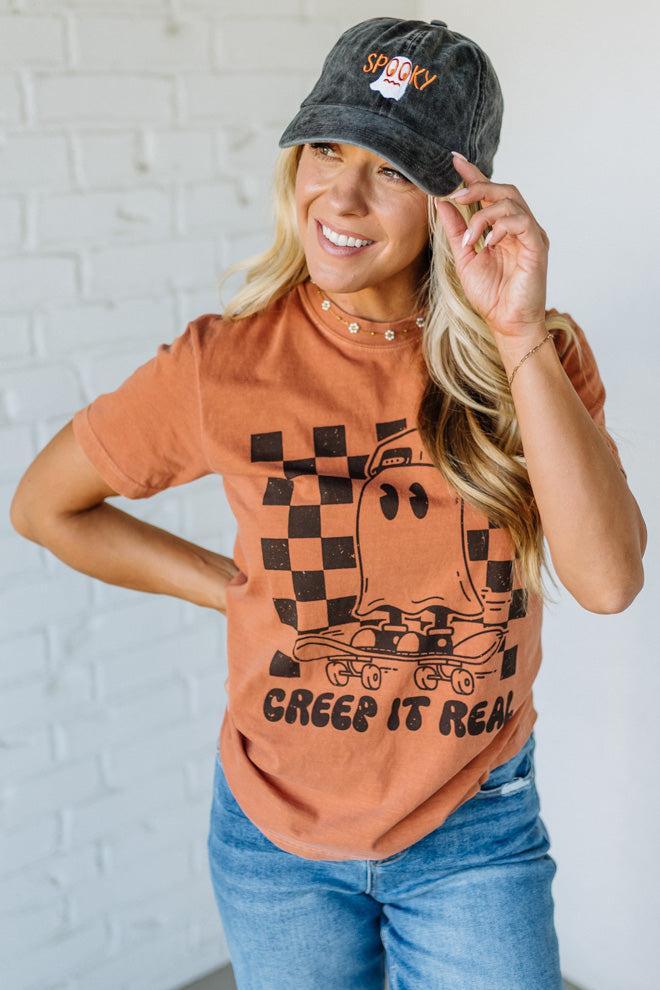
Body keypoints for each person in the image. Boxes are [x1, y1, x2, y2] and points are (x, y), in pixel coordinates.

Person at [10, 16, 646, 990]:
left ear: (457, 197)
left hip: (472, 821)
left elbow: (606, 584)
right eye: (325, 151)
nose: (339, 197)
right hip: (275, 838)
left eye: (392, 170)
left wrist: (514, 333)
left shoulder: (534, 359)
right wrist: (230, 589)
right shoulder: (225, 365)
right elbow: (48, 506)